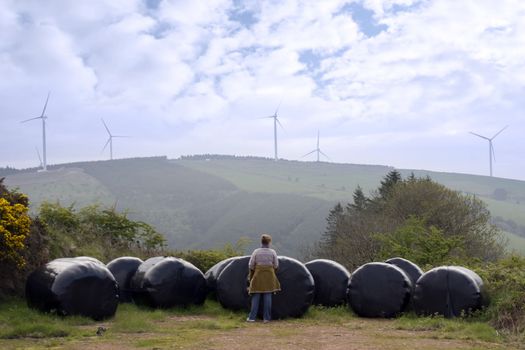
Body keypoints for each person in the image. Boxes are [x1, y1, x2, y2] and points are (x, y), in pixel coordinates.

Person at [246, 234, 281, 323]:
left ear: (261, 242)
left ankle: (252, 318)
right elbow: (276, 265)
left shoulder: (256, 252)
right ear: (269, 242)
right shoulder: (273, 252)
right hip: (269, 275)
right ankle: (266, 318)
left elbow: (250, 265)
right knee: (268, 296)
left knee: (256, 296)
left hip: (258, 275)